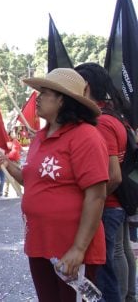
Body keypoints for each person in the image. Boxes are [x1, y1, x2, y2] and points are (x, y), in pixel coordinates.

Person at [0, 68, 108, 301]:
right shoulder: (40, 137)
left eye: (44, 93)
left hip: (71, 248)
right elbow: (32, 180)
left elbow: (96, 196)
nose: (37, 98)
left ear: (62, 100)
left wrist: (78, 249)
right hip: (40, 243)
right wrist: (6, 163)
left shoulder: (85, 136)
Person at [76, 62, 131, 302]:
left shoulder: (101, 122)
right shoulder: (113, 116)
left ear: (85, 87)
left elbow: (114, 175)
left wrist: (93, 200)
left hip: (108, 204)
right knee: (120, 252)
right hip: (115, 203)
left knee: (107, 261)